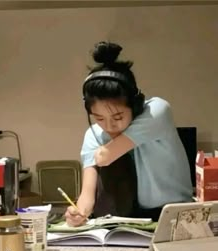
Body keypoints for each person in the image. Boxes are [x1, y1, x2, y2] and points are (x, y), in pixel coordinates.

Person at [65, 41, 193, 226]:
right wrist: (79, 213)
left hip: (175, 215)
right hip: (126, 219)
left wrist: (103, 149)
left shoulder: (156, 111)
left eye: (117, 116)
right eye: (99, 118)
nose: (109, 126)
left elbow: (104, 157)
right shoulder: (93, 134)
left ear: (135, 104)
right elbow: (87, 195)